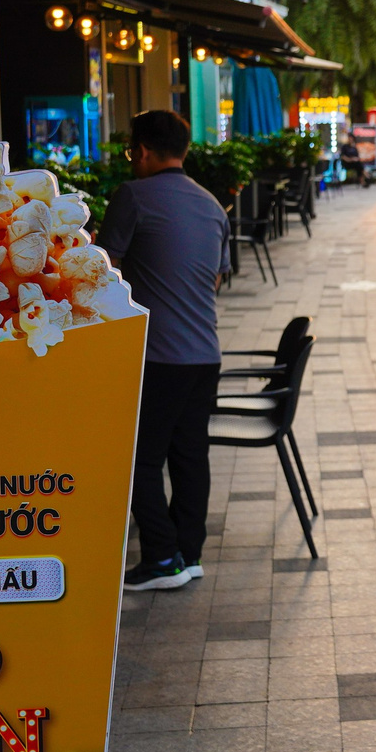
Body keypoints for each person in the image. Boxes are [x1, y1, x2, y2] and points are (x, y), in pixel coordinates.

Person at [102, 109, 232, 591]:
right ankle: (188, 554)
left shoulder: (133, 196)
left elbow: (102, 273)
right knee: (190, 456)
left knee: (137, 460)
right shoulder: (212, 205)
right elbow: (215, 280)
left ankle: (160, 556)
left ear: (141, 150)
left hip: (158, 357)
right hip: (205, 354)